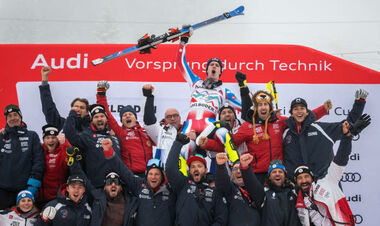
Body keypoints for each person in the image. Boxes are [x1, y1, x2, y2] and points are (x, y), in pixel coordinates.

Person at [200, 90, 329, 183]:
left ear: (270, 107)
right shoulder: (247, 126)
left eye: (265, 104)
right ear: (255, 108)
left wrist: (323, 109)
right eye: (259, 105)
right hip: (257, 175)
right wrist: (207, 144)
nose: (263, 107)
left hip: (278, 172)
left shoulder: (280, 121)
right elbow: (230, 145)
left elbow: (301, 118)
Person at [294, 115, 370, 226]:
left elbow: (341, 158)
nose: (304, 180)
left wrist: (347, 137)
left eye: (306, 177)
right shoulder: (299, 202)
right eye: (300, 178)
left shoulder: (328, 180)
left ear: (312, 177)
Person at [283, 89, 367, 180]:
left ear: (307, 112)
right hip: (298, 185)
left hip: (326, 184)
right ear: (291, 114)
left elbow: (348, 125)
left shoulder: (321, 129)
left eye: (302, 108)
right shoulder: (286, 134)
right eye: (295, 109)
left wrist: (360, 103)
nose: (299, 111)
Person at [176, 29, 241, 136]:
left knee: (221, 137)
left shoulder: (224, 91)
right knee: (183, 150)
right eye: (211, 64)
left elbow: (244, 108)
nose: (214, 66)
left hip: (208, 129)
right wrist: (183, 41)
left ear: (220, 71)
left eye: (217, 65)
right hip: (189, 127)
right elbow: (180, 63)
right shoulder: (196, 83)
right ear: (207, 70)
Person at [100, 138, 176, 226]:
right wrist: (109, 151)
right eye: (150, 174)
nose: (153, 177)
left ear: (162, 176)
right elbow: (122, 170)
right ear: (146, 175)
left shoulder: (170, 189)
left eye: (157, 174)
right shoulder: (139, 185)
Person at [166, 133, 228, 226]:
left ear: (206, 170)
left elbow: (221, 219)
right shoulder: (182, 184)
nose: (196, 169)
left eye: (199, 166)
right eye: (193, 167)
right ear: (189, 171)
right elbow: (170, 169)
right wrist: (178, 143)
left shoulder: (215, 190)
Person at [97, 81, 153, 177]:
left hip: (149, 175)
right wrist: (101, 94)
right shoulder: (120, 132)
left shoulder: (146, 131)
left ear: (135, 118)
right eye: (124, 115)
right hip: (130, 175)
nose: (127, 116)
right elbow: (108, 115)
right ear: (121, 121)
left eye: (130, 114)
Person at [63, 103, 121, 188]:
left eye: (102, 116)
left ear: (106, 119)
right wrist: (72, 115)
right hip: (97, 187)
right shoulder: (87, 136)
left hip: (116, 185)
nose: (99, 119)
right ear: (92, 121)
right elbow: (69, 136)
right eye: (96, 117)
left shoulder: (115, 137)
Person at [0, 104, 45, 209]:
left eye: (15, 115)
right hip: (3, 190)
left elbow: (39, 161)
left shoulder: (32, 135)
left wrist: (33, 185)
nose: (13, 118)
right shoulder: (1, 137)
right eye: (9, 116)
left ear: (20, 117)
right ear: (6, 119)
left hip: (25, 191)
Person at [240, 154, 301, 226]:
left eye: (280, 172)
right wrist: (246, 168)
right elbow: (252, 184)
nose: (277, 174)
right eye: (274, 172)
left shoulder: (294, 192)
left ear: (285, 176)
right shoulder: (264, 194)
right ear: (269, 177)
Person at [39, 66, 90, 131]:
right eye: (76, 107)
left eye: (82, 108)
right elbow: (49, 109)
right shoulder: (62, 124)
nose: (78, 109)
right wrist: (44, 80)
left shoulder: (92, 127)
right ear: (71, 109)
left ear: (87, 112)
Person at [215, 153, 260, 226]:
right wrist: (220, 166)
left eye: (241, 168)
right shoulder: (230, 189)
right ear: (231, 174)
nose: (238, 171)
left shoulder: (256, 189)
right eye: (235, 169)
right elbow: (222, 183)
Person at [37, 124, 71, 207]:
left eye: (53, 138)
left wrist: (64, 143)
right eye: (47, 138)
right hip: (42, 199)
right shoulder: (38, 151)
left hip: (59, 198)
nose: (51, 141)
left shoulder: (62, 149)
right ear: (43, 140)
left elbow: (69, 160)